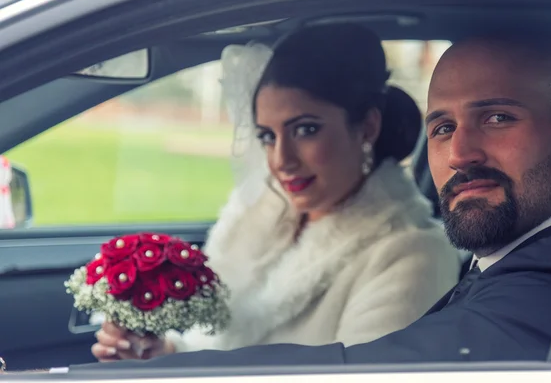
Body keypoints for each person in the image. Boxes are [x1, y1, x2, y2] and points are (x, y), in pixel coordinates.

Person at [42, 33, 551, 374]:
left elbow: (357, 372)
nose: (459, 152)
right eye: (442, 126)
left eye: (497, 117)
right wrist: (162, 353)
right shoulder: (510, 260)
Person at [90, 23, 460, 362]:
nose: (280, 160)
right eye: (268, 136)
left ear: (367, 127)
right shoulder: (254, 218)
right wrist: (162, 353)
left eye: (305, 130)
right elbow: (222, 347)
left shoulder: (414, 254)